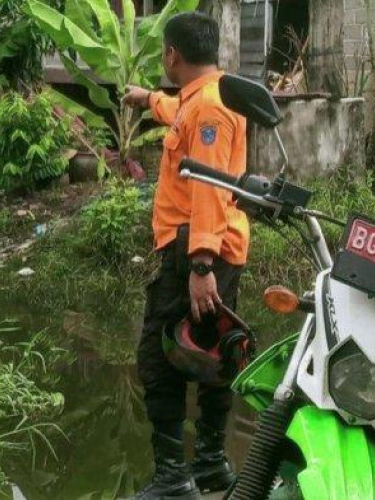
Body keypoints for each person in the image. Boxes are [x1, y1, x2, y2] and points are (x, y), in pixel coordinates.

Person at [123, 12, 250, 500]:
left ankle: (176, 477)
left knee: (160, 357)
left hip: (197, 250)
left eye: (163, 53)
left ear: (173, 54)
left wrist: (199, 266)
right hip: (208, 246)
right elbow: (174, 110)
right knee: (214, 353)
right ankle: (213, 465)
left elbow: (210, 191)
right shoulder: (202, 98)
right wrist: (145, 98)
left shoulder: (211, 110)